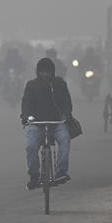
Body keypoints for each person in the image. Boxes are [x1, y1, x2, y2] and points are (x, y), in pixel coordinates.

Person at [21, 58, 73, 190]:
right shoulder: (31, 85)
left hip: (56, 123)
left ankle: (61, 172)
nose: (45, 75)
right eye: (42, 72)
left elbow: (67, 103)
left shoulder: (60, 84)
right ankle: (34, 175)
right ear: (38, 72)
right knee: (30, 147)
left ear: (52, 72)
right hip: (37, 124)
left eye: (48, 72)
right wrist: (26, 117)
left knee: (65, 138)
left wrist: (67, 115)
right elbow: (26, 104)